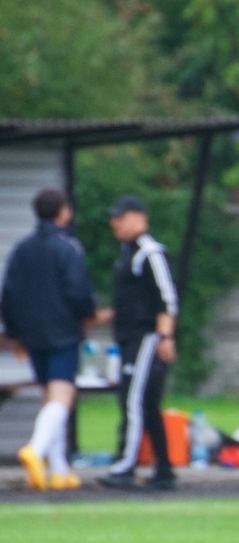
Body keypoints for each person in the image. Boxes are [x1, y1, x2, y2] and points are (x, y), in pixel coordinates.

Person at [1, 189, 96, 491]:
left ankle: (59, 470)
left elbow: (9, 294)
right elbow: (78, 290)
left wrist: (14, 333)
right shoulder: (67, 247)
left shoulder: (21, 250)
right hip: (62, 331)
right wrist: (87, 314)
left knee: (49, 397)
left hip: (31, 335)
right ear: (63, 212)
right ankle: (36, 451)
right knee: (61, 398)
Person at [98, 196, 180, 491]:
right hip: (130, 337)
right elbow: (130, 301)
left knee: (131, 399)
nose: (115, 224)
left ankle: (124, 465)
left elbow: (166, 298)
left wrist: (165, 336)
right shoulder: (127, 253)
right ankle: (164, 470)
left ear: (138, 218)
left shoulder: (150, 253)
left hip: (146, 338)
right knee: (147, 404)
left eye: (120, 218)